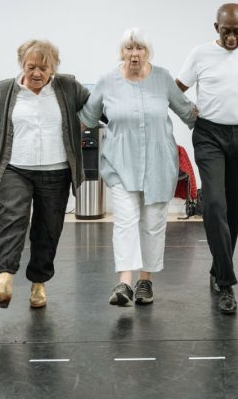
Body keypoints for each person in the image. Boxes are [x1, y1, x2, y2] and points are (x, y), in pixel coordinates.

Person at [81, 28, 196, 307]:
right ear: (122, 52)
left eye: (140, 48)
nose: (135, 54)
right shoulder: (107, 81)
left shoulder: (163, 78)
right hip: (120, 164)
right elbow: (87, 117)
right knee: (125, 221)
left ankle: (145, 281)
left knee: (153, 224)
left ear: (148, 52)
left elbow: (188, 112)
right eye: (129, 48)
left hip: (159, 163)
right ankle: (124, 282)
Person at [0, 40, 89, 309]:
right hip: (15, 168)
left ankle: (38, 284)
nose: (38, 73)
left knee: (48, 230)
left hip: (57, 170)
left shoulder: (68, 87)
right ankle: (3, 280)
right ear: (22, 64)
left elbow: (98, 108)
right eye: (31, 67)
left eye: (44, 67)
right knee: (12, 219)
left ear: (54, 67)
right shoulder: (5, 90)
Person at [176, 3, 238, 314]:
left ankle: (218, 267)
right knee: (214, 203)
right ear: (216, 28)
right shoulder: (200, 54)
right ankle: (226, 283)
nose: (231, 37)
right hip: (209, 135)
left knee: (234, 208)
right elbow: (178, 89)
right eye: (225, 31)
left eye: (237, 31)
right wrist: (190, 114)